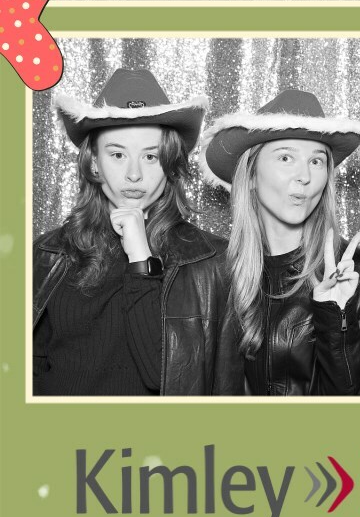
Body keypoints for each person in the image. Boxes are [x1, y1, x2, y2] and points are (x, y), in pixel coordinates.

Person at [33, 68, 240, 398]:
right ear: (94, 163)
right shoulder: (47, 255)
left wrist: (140, 258)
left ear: (170, 163)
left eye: (151, 156)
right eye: (117, 154)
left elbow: (163, 376)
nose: (134, 174)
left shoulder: (214, 262)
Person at [201, 88, 360, 397]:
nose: (304, 176)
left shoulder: (358, 273)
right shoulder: (213, 273)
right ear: (251, 174)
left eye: (316, 161)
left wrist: (337, 316)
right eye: (286, 157)